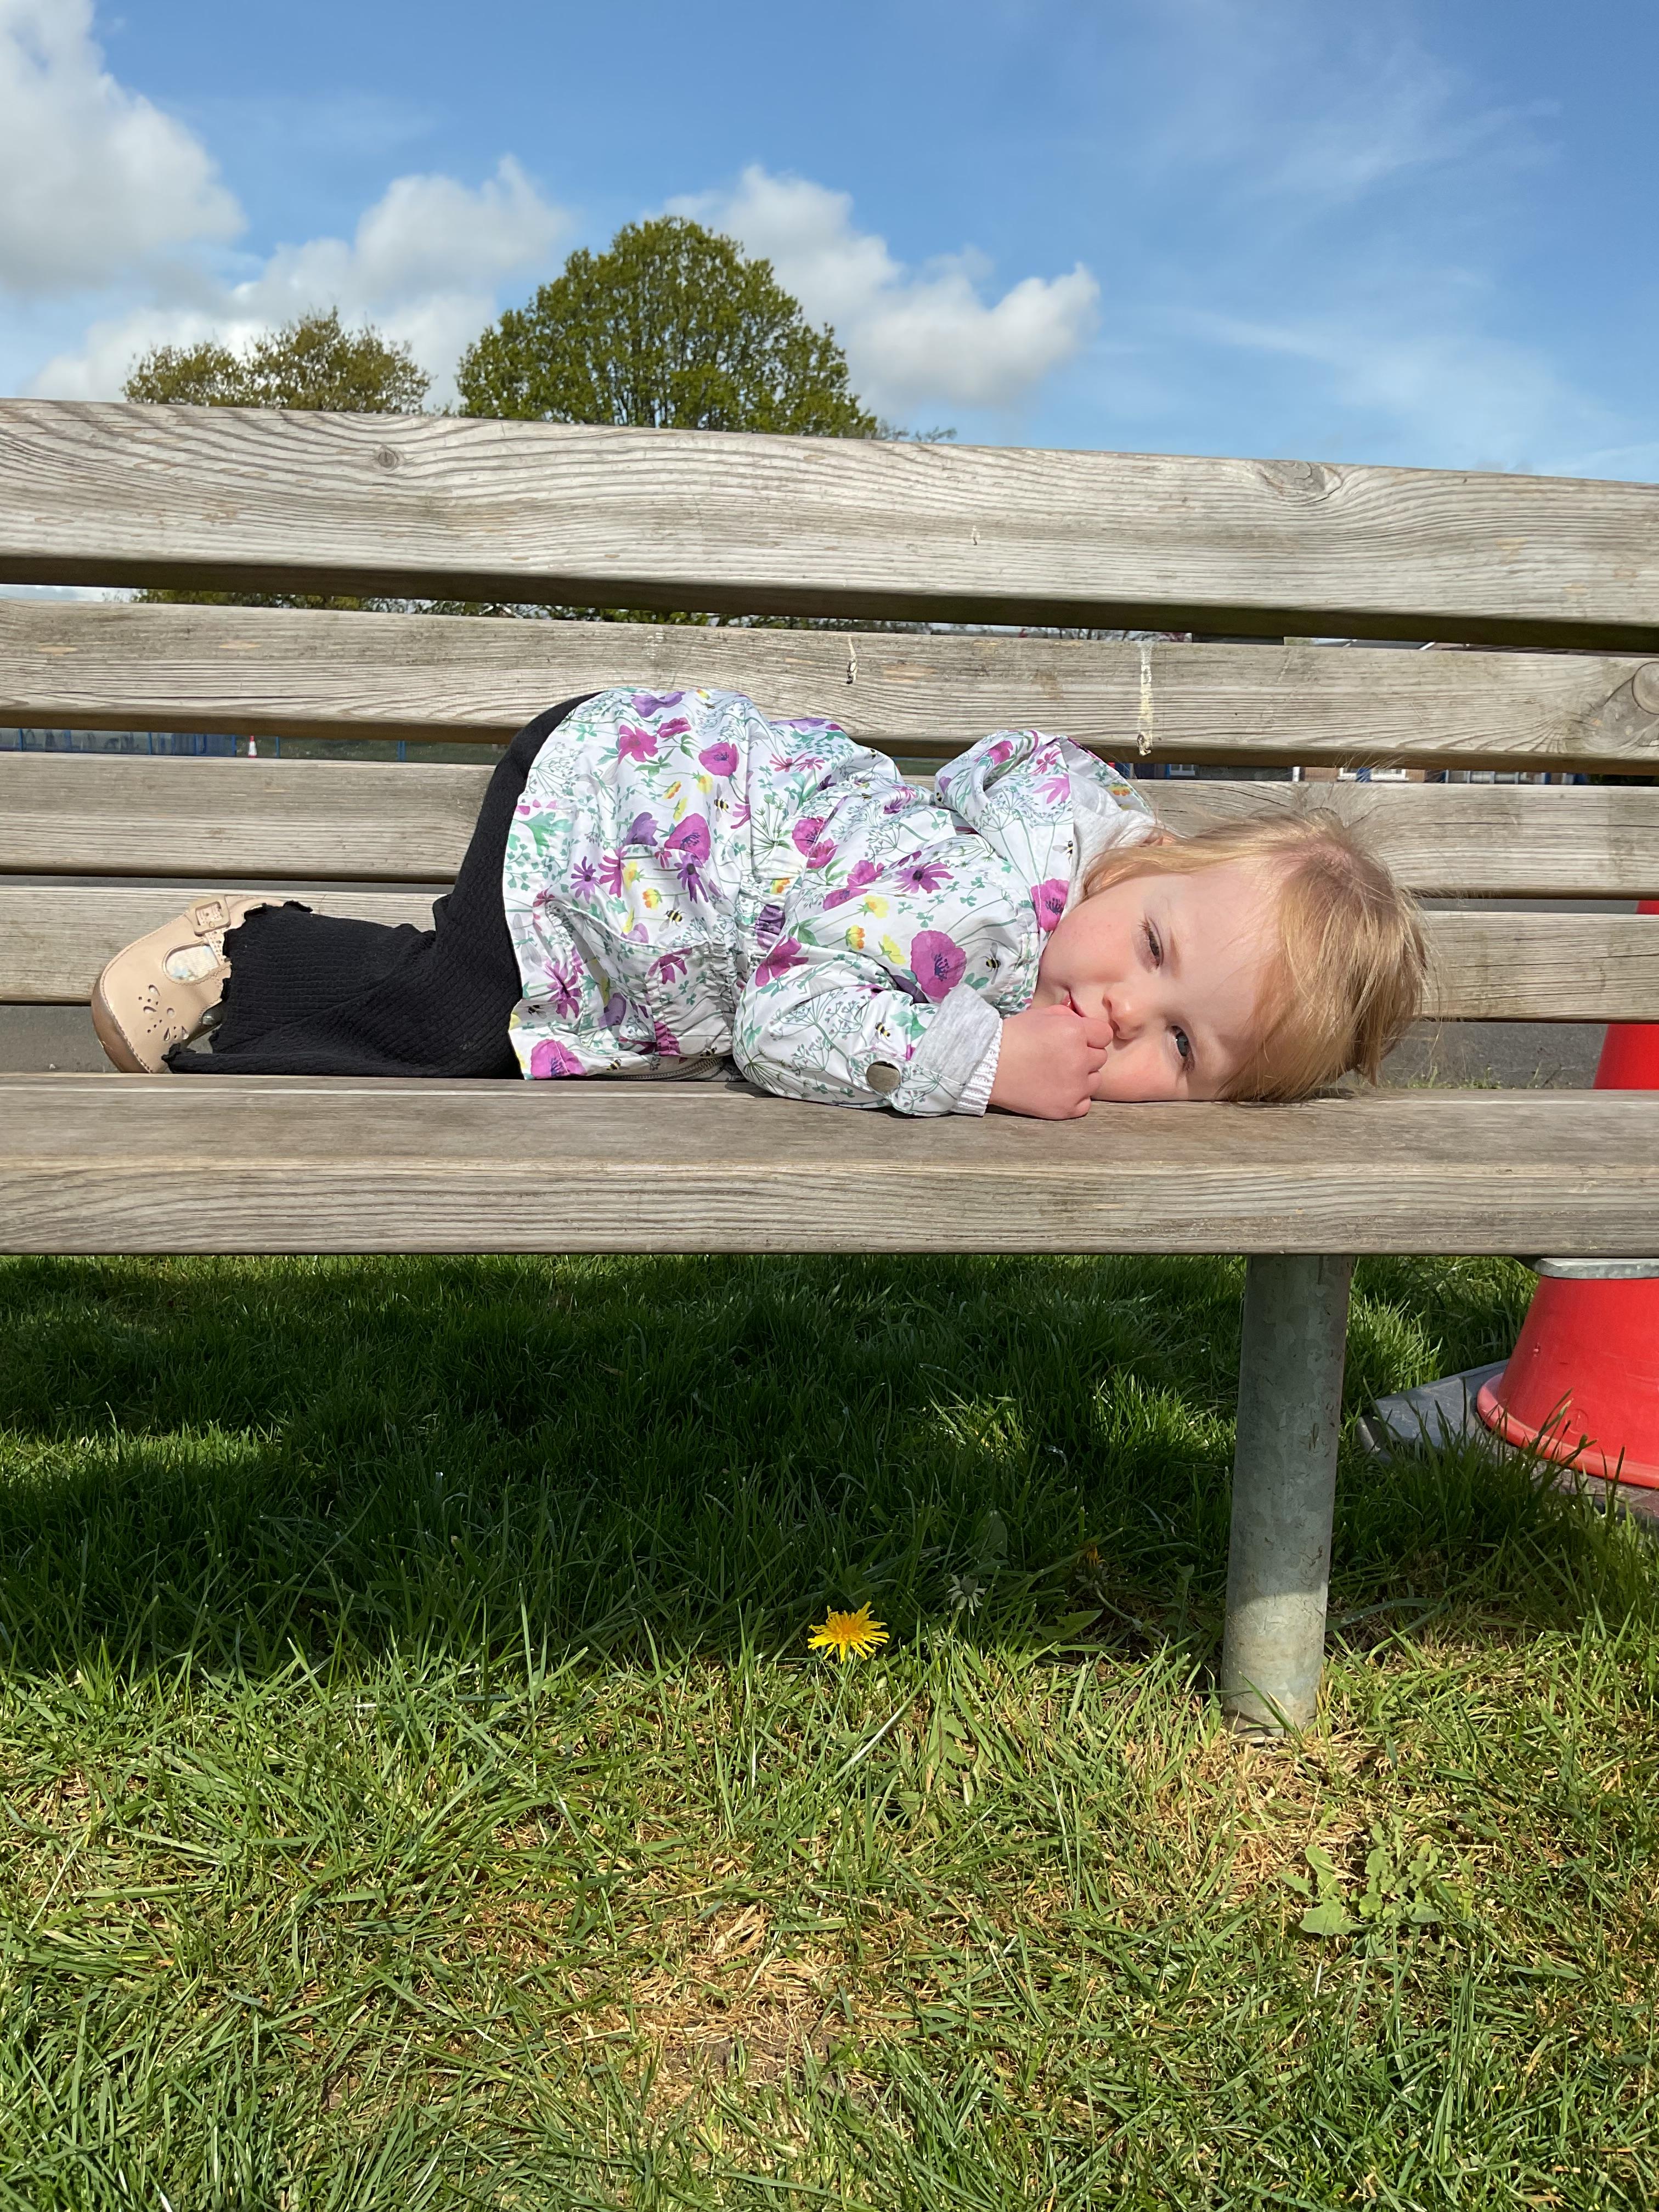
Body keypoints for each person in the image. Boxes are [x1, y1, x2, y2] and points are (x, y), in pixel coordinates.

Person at [90, 686, 1425, 1118]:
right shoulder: (982, 914)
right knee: (456, 1021)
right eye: (1152, 947)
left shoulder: (1046, 882)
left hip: (660, 828)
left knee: (487, 1030)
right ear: (1134, 866)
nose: (1125, 1011)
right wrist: (975, 1061)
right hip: (607, 815)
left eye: (1184, 1046)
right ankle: (243, 955)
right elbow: (785, 1019)